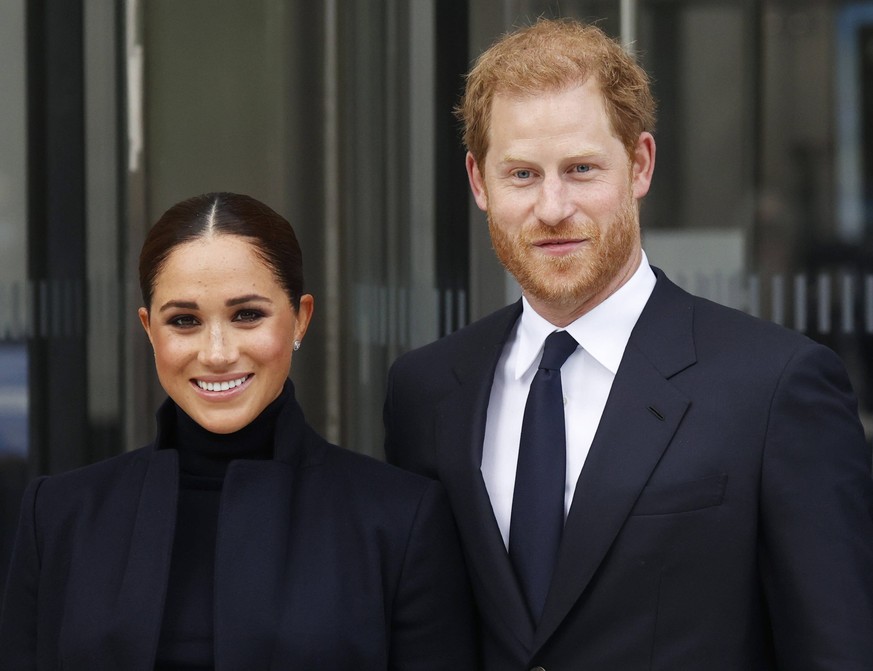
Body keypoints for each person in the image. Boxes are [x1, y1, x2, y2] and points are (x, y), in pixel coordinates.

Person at [383, 18, 873, 670]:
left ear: (639, 164)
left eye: (581, 168)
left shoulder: (774, 387)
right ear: (478, 183)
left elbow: (835, 648)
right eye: (521, 174)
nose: (552, 206)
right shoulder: (426, 390)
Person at [0, 192, 476, 670]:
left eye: (247, 315)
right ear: (149, 330)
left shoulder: (400, 521)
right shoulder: (58, 517)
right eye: (184, 321)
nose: (217, 352)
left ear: (301, 318)